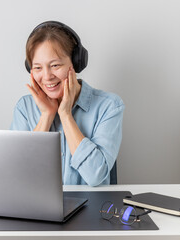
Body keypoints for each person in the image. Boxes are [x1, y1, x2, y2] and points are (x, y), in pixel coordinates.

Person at [10, 21, 125, 186]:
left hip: (90, 207)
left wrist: (65, 115)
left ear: (76, 63)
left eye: (55, 65)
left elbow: (95, 176)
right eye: (37, 68)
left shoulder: (109, 106)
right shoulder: (24, 108)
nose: (47, 76)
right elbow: (17, 177)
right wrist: (46, 116)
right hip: (38, 209)